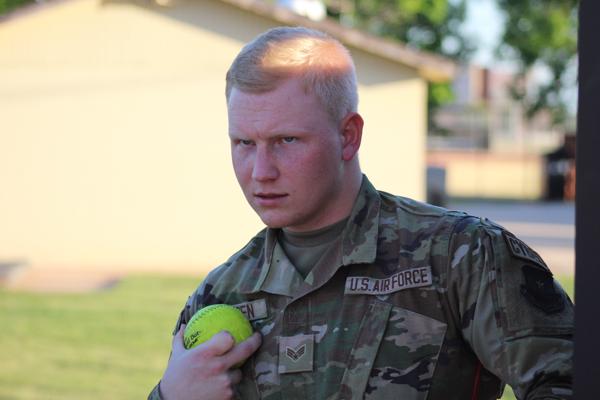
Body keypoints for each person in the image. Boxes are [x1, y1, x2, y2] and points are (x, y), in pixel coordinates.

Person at [148, 26, 573, 400]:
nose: (261, 171)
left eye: (287, 140)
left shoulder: (460, 256)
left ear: (348, 136)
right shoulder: (221, 293)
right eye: (244, 143)